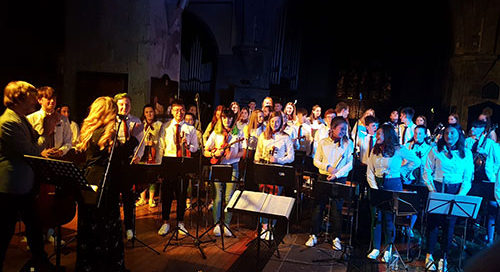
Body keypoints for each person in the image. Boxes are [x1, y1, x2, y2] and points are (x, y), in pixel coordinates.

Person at [0, 81, 57, 271]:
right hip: (12, 186)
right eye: (32, 98)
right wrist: (46, 131)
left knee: (34, 225)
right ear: (18, 99)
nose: (35, 103)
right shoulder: (8, 122)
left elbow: (34, 146)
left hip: (24, 184)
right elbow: (30, 151)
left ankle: (42, 263)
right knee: (6, 230)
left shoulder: (21, 118)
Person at [76, 96, 137, 271]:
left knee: (90, 229)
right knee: (106, 227)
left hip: (89, 182)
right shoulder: (104, 134)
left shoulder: (90, 131)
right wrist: (133, 139)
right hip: (104, 184)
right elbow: (118, 157)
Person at [366, 124, 420, 261]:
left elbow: (416, 161)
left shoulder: (399, 149)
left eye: (380, 134)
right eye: (377, 134)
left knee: (389, 219)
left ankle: (388, 248)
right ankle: (376, 247)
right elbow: (370, 171)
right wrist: (374, 188)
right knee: (375, 218)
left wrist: (402, 171)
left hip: (393, 184)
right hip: (377, 185)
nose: (377, 137)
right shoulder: (375, 150)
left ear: (388, 135)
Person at [423, 124, 473, 271]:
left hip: (456, 190)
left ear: (459, 136)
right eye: (446, 133)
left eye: (452, 133)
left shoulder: (466, 153)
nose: (448, 136)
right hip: (438, 188)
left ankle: (443, 257)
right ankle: (429, 255)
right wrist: (432, 191)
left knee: (449, 226)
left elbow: (467, 178)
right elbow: (426, 172)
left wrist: (460, 196)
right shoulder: (436, 150)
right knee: (433, 224)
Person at [306, 117, 353, 250]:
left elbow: (350, 164)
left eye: (345, 129)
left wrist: (337, 174)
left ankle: (336, 237)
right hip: (324, 176)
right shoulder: (323, 142)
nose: (344, 131)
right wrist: (328, 168)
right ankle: (314, 234)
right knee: (318, 206)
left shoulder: (348, 143)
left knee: (336, 208)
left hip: (339, 179)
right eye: (341, 128)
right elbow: (316, 160)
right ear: (332, 128)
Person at [157, 100, 199, 236]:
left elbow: (196, 147)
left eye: (181, 110)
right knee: (167, 194)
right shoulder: (166, 127)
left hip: (183, 163)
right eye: (176, 110)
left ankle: (181, 222)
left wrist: (188, 146)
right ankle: (165, 222)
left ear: (184, 111)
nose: (179, 113)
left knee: (181, 194)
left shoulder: (190, 128)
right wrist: (160, 166)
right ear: (171, 111)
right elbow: (161, 147)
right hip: (169, 163)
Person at [204, 108, 245, 237]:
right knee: (217, 197)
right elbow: (205, 151)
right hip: (218, 166)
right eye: (224, 118)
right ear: (221, 119)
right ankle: (216, 224)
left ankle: (226, 224)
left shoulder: (238, 133)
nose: (227, 120)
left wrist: (233, 156)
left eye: (230, 118)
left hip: (233, 166)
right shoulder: (216, 133)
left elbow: (243, 151)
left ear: (233, 119)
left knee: (229, 197)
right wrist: (213, 153)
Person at [254, 111, 294, 240]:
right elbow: (257, 154)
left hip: (278, 171)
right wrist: (260, 162)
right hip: (265, 170)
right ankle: (264, 227)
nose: (274, 124)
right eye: (272, 121)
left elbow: (291, 157)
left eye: (277, 121)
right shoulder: (263, 136)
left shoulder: (285, 137)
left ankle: (271, 227)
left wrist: (279, 160)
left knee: (275, 199)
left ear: (281, 122)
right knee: (263, 199)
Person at [113, 93, 144, 241]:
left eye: (127, 105)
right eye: (121, 105)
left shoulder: (136, 121)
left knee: (129, 198)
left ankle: (130, 227)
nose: (124, 107)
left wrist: (139, 156)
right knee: (113, 197)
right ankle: (115, 226)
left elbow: (141, 142)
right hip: (115, 164)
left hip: (130, 163)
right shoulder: (112, 121)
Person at [465, 120, 500, 246]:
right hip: (472, 177)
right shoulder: (468, 141)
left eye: (476, 127)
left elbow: (494, 161)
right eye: (473, 126)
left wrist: (493, 175)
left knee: (489, 207)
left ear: (483, 129)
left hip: (485, 178)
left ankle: (488, 236)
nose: (473, 129)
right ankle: (469, 231)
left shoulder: (490, 144)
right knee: (471, 205)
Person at [403, 125, 432, 238]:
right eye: (415, 133)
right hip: (408, 179)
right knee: (406, 203)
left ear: (425, 135)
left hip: (421, 182)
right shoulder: (408, 146)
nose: (417, 136)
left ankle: (411, 227)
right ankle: (404, 226)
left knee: (417, 206)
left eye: (420, 134)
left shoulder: (429, 149)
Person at [27, 86, 73, 158]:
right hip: (38, 159)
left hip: (58, 159)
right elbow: (28, 143)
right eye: (48, 98)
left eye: (54, 98)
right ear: (40, 100)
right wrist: (41, 152)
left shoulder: (63, 119)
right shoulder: (31, 119)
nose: (52, 101)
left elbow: (68, 141)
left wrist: (60, 151)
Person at [136, 104, 163, 208]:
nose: (149, 114)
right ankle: (142, 198)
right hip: (142, 152)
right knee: (141, 175)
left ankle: (151, 199)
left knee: (152, 176)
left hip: (153, 152)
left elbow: (161, 138)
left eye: (151, 112)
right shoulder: (140, 124)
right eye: (146, 112)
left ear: (154, 112)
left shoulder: (159, 124)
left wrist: (154, 142)